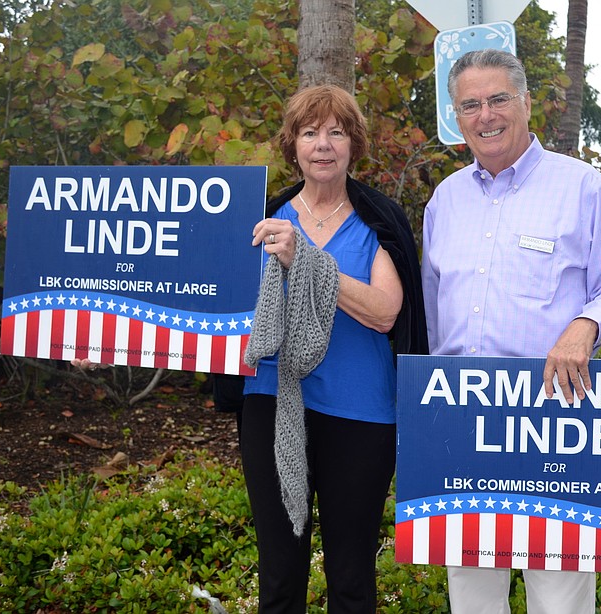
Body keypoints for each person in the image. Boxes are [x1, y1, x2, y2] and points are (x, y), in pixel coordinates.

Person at [421, 49, 601, 614]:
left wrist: (586, 323)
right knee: (472, 601)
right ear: (457, 116)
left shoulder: (583, 189)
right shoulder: (443, 201)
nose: (485, 115)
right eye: (470, 104)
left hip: (554, 429)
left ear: (525, 103)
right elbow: (432, 319)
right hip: (464, 430)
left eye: (498, 98)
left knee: (559, 604)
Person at [239, 83, 427, 613]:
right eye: (309, 132)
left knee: (350, 576)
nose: (323, 145)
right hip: (272, 407)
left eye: (336, 133)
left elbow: (386, 310)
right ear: (292, 145)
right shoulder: (263, 220)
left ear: (353, 144)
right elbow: (211, 309)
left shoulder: (377, 221)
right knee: (279, 575)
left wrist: (309, 263)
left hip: (360, 414)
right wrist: (101, 337)